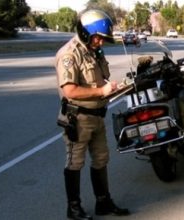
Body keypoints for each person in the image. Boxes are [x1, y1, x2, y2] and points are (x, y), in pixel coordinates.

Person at [54, 9, 130, 220]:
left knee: (101, 158)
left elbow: (100, 80)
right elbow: (70, 90)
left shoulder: (93, 50)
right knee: (75, 162)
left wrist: (115, 88)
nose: (101, 43)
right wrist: (101, 92)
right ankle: (74, 208)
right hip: (77, 118)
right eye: (99, 38)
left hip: (97, 115)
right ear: (86, 32)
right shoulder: (70, 54)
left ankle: (103, 202)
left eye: (103, 39)